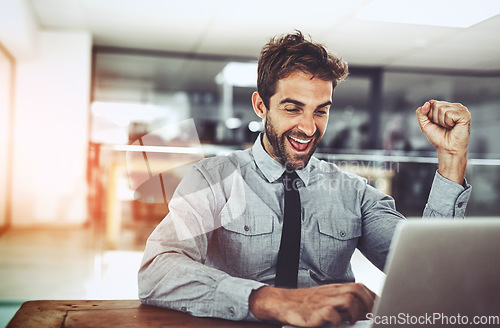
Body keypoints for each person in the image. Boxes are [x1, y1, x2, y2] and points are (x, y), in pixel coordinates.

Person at [138, 31, 471, 327]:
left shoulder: (354, 193)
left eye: (320, 110)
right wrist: (273, 301)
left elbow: (430, 275)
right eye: (293, 108)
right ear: (261, 105)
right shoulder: (213, 178)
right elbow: (157, 271)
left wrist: (452, 158)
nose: (309, 128)